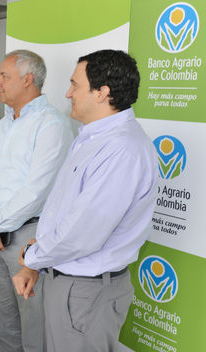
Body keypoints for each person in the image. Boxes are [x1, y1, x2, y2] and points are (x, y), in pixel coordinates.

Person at [12, 49, 158, 352]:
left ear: (102, 93)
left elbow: (83, 232)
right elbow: (61, 210)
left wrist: (33, 256)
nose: (67, 93)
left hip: (85, 292)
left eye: (75, 85)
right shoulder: (91, 137)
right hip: (68, 282)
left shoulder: (122, 149)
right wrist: (36, 264)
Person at [0, 50, 73, 352]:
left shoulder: (52, 124)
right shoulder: (4, 125)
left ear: (27, 79)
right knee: (3, 328)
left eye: (4, 76)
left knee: (34, 330)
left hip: (30, 240)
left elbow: (36, 191)